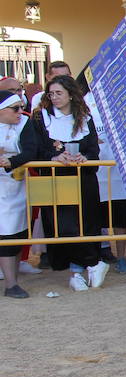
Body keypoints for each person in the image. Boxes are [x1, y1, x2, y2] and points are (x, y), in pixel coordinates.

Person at [31, 75, 107, 291]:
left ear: (71, 94)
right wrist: (53, 158)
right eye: (51, 93)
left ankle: (77, 272)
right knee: (63, 226)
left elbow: (93, 150)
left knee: (87, 224)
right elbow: (35, 149)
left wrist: (85, 158)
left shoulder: (85, 117)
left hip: (83, 179)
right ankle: (93, 263)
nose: (54, 97)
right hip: (55, 180)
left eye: (58, 93)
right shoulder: (40, 118)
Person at [0, 91, 40, 297]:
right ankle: (10, 283)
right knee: (5, 233)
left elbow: (30, 150)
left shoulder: (25, 123)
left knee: (18, 233)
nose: (19, 112)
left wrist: (11, 161)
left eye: (20, 106)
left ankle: (12, 279)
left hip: (17, 183)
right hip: (1, 190)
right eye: (14, 108)